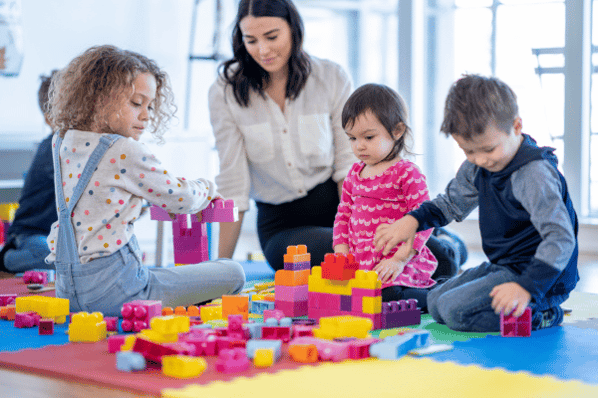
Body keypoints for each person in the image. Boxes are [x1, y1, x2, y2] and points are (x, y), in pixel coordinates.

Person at [209, 0, 467, 274]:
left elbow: (349, 163)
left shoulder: (329, 77)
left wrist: (361, 228)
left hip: (348, 207)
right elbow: (233, 185)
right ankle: (445, 246)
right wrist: (217, 272)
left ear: (294, 30)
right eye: (251, 40)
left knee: (427, 252)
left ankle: (447, 242)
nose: (263, 50)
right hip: (283, 227)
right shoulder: (224, 93)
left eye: (272, 36)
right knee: (378, 260)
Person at [45, 45, 245, 316]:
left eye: (150, 106)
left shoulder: (62, 141)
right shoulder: (123, 149)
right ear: (99, 98)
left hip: (67, 292)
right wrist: (207, 189)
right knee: (233, 272)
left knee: (162, 272)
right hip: (120, 294)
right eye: (136, 103)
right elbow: (180, 197)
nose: (146, 115)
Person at [374, 74, 579, 332]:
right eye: (468, 151)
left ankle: (544, 314)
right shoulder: (478, 165)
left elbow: (560, 238)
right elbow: (451, 203)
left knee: (455, 313)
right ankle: (521, 304)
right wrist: (412, 221)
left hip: (541, 277)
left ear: (516, 127)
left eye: (488, 149)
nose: (479, 159)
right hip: (504, 266)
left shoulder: (533, 174)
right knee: (437, 303)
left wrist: (526, 288)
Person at [333, 84, 437, 308]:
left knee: (389, 298)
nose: (359, 146)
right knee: (346, 300)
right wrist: (341, 254)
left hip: (399, 261)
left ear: (397, 131)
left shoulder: (407, 173)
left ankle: (440, 296)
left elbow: (424, 220)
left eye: (368, 137)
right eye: (352, 138)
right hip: (364, 264)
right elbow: (343, 216)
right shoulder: (354, 174)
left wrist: (399, 259)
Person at [0, 71, 59, 274]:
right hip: (30, 235)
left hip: (55, 237)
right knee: (51, 256)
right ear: (49, 119)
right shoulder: (53, 147)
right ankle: (6, 259)